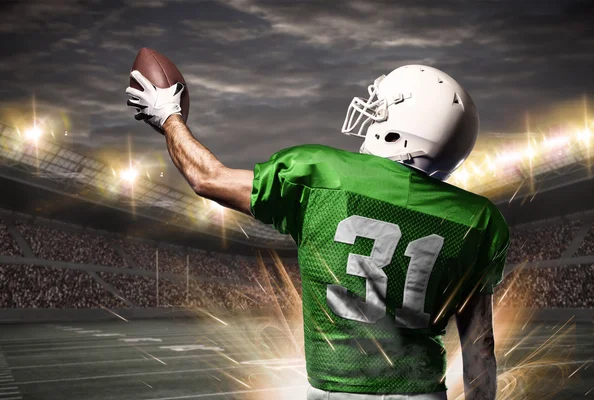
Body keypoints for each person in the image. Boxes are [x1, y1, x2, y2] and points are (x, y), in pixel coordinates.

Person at [126, 64, 510, 400]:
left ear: (402, 130)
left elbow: (206, 178)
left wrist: (168, 116)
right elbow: (480, 347)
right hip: (425, 392)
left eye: (380, 110)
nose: (371, 116)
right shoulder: (478, 220)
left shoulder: (321, 175)